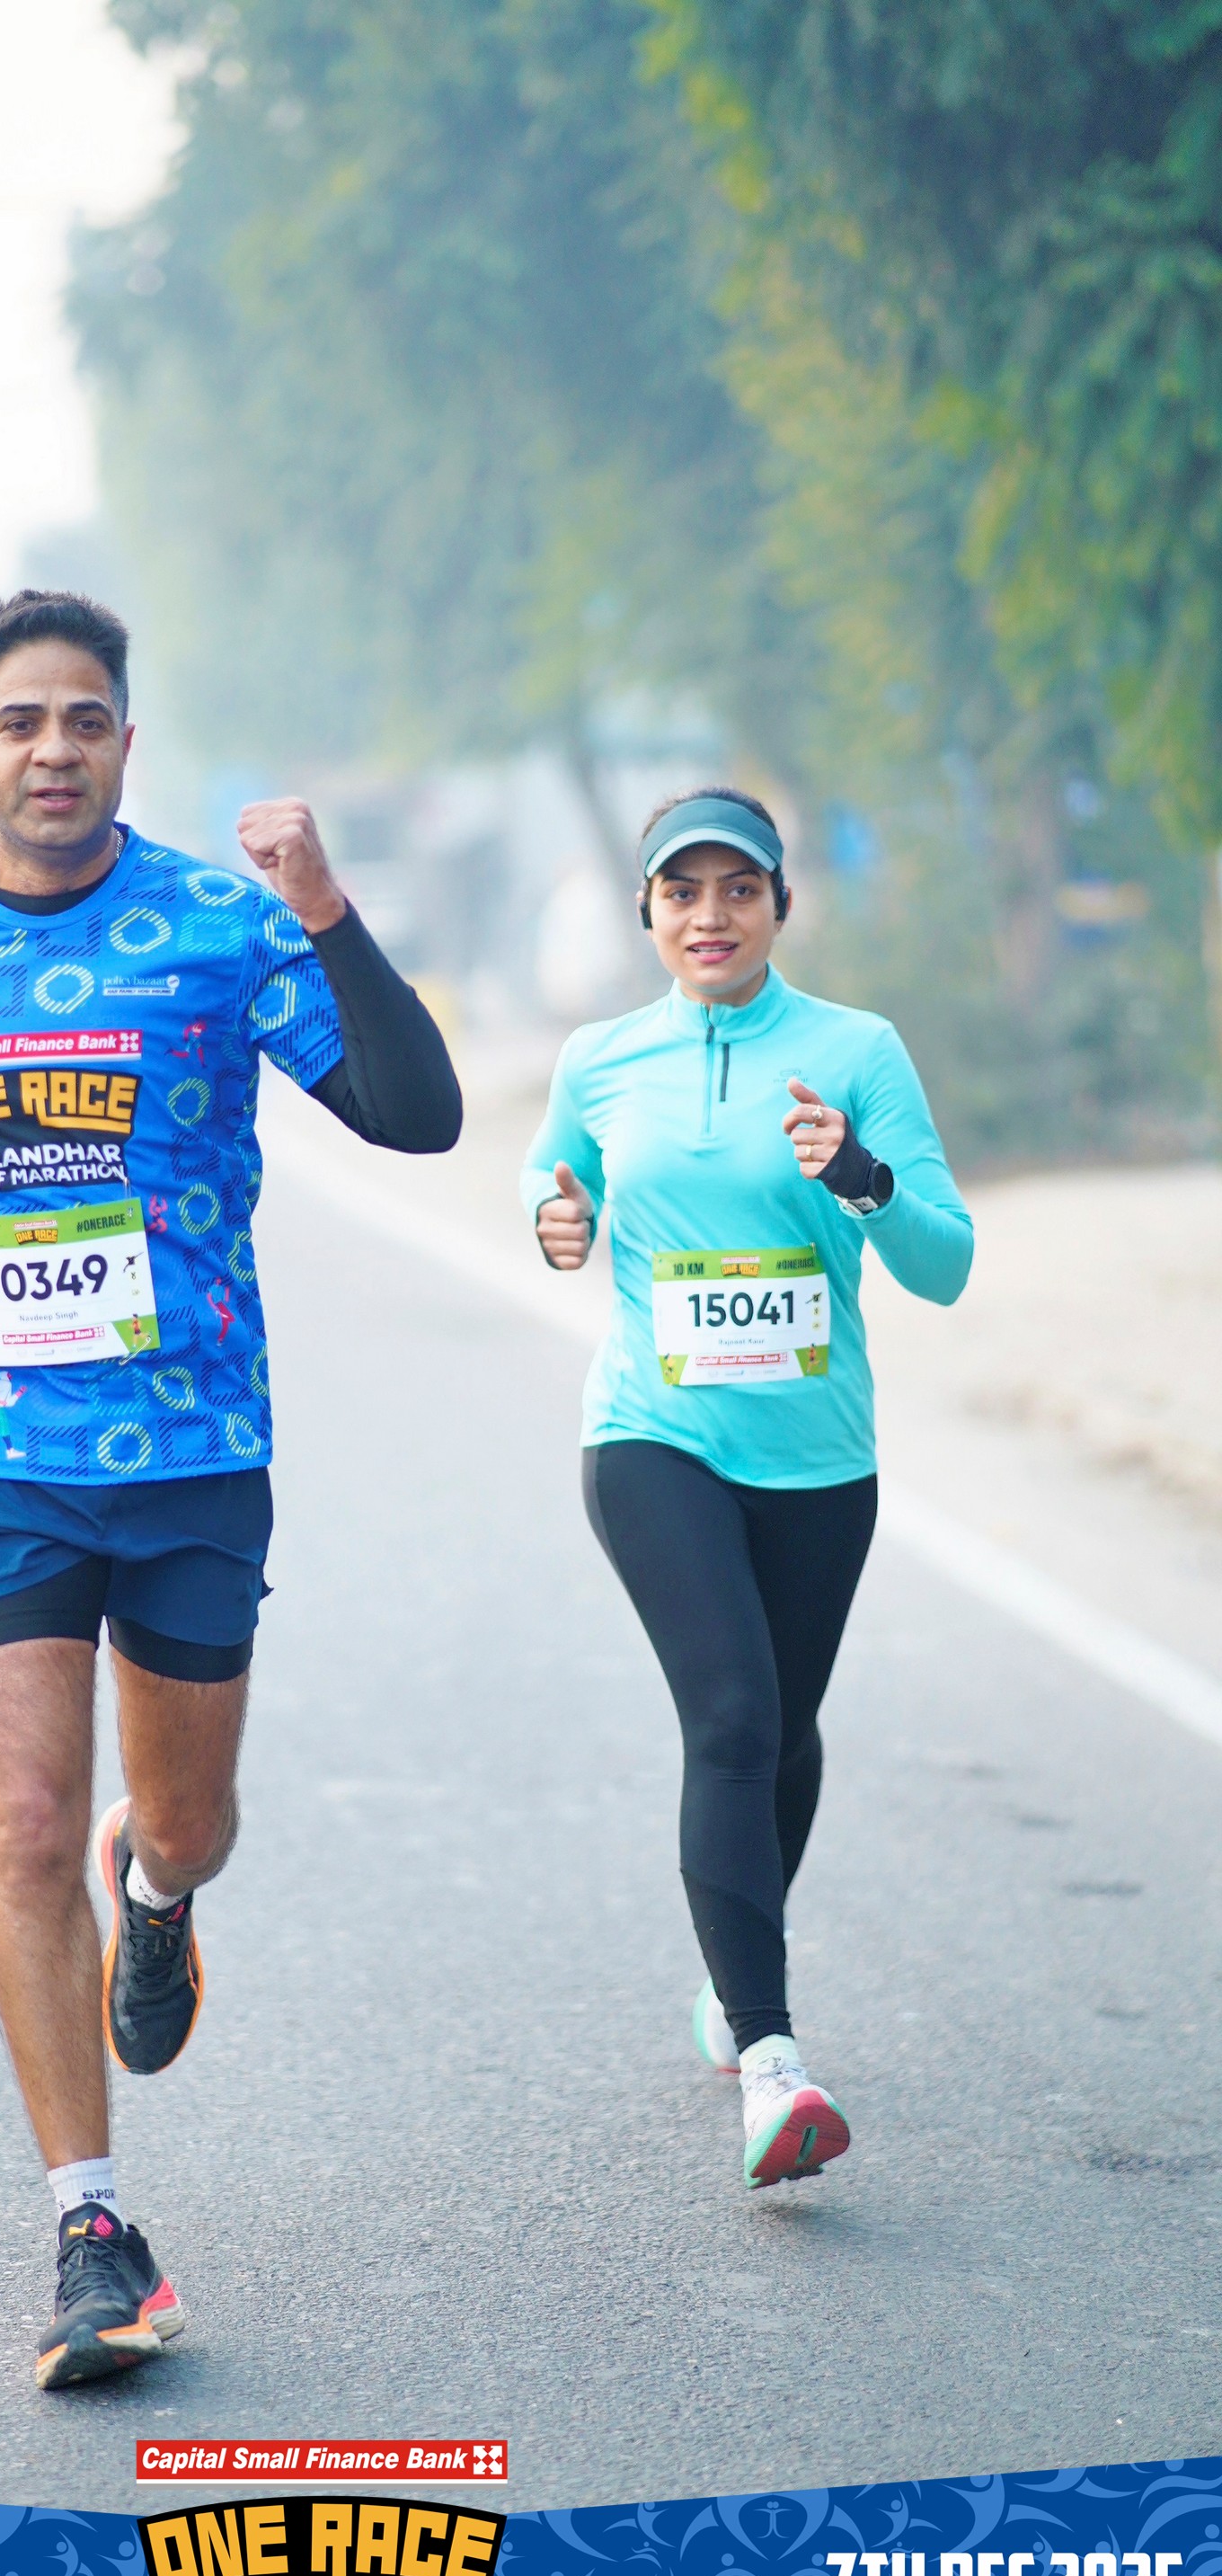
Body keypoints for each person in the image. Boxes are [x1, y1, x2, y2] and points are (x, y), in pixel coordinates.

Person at [0, 589, 460, 2385]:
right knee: (19, 1817)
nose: (53, 750)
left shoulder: (222, 925)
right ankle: (91, 2230)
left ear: (126, 745)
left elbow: (417, 1115)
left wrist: (329, 914)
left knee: (188, 1819)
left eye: (84, 720)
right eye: (21, 721)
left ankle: (159, 1893)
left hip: (192, 1446)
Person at [522, 786, 972, 2190]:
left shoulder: (857, 1051)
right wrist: (555, 1218)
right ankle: (773, 2064)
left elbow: (947, 1262)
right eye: (682, 892)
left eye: (738, 889)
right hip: (653, 1437)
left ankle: (734, 1972)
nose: (709, 916)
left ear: (781, 903)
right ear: (647, 911)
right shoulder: (601, 1059)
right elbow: (553, 1180)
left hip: (820, 1458)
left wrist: (861, 1175)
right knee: (729, 1715)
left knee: (784, 1731)